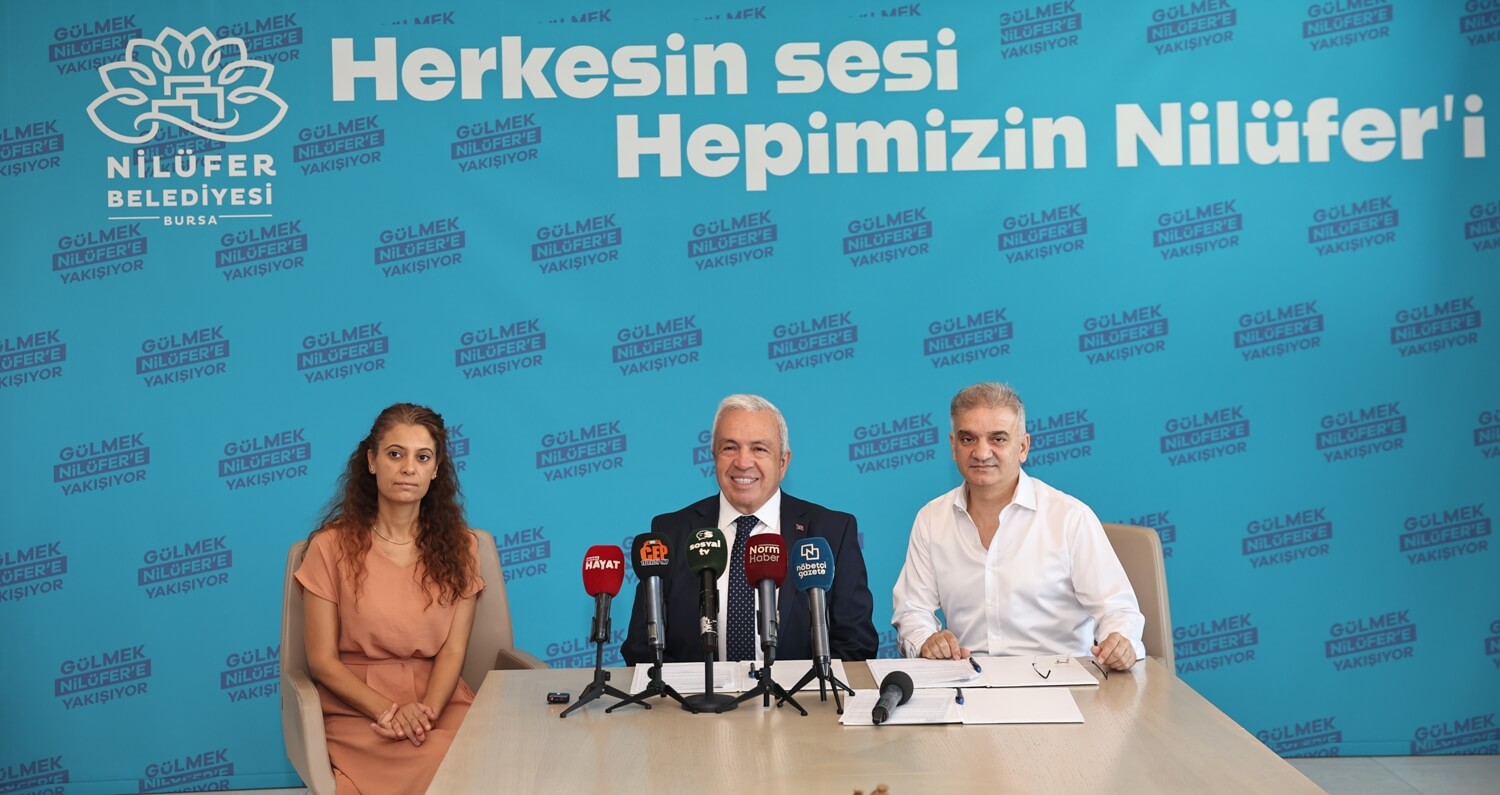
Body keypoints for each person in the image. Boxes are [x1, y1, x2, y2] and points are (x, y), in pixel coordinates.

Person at [295, 403, 484, 794]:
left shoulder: (463, 547)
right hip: (357, 706)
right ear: (372, 461)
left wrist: (426, 713)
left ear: (436, 469)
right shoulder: (329, 547)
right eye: (395, 454)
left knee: (477, 758)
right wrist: (389, 711)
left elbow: (453, 652)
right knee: (435, 759)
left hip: (437, 698)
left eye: (423, 457)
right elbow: (322, 662)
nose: (408, 468)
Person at [891, 383, 1145, 670]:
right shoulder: (931, 519)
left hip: (1061, 683)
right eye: (968, 439)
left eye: (998, 439)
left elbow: (1118, 609)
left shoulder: (1070, 517)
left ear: (1023, 447)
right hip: (969, 681)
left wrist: (1120, 641)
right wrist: (927, 641)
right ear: (953, 446)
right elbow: (912, 610)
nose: (981, 452)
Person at [622, 394, 878, 665]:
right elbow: (642, 649)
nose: (743, 462)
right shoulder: (670, 533)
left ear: (783, 462)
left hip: (801, 693)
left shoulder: (831, 533)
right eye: (729, 448)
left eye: (759, 449)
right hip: (695, 693)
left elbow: (856, 646)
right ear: (714, 457)